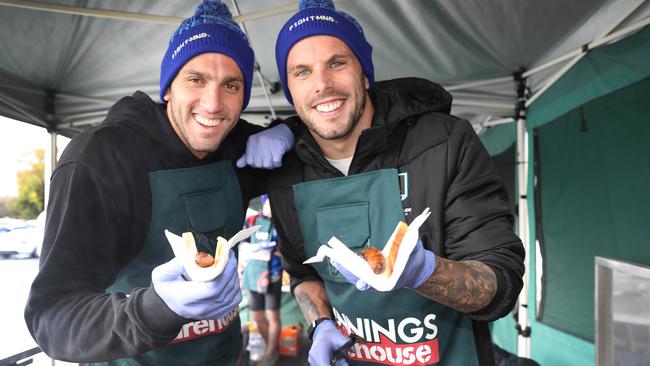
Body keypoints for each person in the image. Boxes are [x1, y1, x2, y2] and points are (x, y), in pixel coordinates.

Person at [24, 2, 294, 365]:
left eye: (231, 85)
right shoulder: (101, 157)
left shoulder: (234, 145)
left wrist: (288, 131)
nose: (213, 104)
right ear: (168, 88)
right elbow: (52, 319)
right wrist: (154, 309)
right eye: (196, 79)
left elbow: (329, 122)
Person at [267, 1, 525, 365]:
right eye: (302, 71)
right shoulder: (286, 173)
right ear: (290, 89)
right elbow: (303, 273)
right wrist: (320, 323)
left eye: (337, 63)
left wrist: (424, 272)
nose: (322, 84)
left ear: (365, 73)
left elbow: (502, 280)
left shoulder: (444, 143)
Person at [241, 195, 283, 365]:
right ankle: (272, 347)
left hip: (272, 273)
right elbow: (241, 244)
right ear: (264, 203)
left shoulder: (281, 224)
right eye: (269, 204)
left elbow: (288, 251)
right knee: (257, 316)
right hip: (252, 273)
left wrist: (275, 250)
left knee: (273, 315)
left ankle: (271, 353)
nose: (272, 208)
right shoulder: (251, 221)